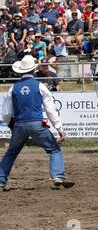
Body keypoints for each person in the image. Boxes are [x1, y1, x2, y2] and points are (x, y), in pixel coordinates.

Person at [0, 55, 74, 190]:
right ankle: (57, 175)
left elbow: (6, 113)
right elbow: (50, 110)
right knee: (54, 149)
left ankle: (1, 180)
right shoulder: (40, 86)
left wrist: (11, 125)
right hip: (36, 124)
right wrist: (59, 129)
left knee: (11, 153)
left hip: (19, 125)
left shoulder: (13, 88)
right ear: (34, 70)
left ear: (20, 71)